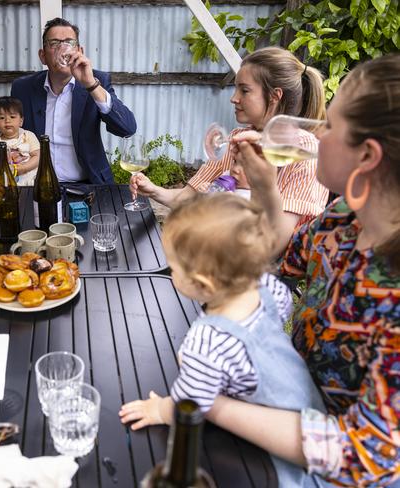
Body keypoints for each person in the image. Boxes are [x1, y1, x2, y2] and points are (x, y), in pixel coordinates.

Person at [204, 54, 400, 486]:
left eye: (329, 125)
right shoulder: (344, 219)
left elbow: (364, 456)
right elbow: (279, 260)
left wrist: (211, 405)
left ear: (366, 155)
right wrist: (263, 187)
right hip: (287, 404)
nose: (315, 134)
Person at [118, 193, 325, 487]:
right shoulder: (269, 288)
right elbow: (270, 328)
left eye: (174, 268)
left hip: (276, 462)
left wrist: (159, 410)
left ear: (202, 284)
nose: (171, 271)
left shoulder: (205, 341)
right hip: (307, 411)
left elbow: (190, 403)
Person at [131, 46, 329, 242]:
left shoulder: (304, 151)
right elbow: (189, 198)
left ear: (275, 96)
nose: (234, 98)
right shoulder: (237, 137)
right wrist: (154, 190)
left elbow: (274, 243)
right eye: (236, 89)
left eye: (244, 90)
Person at [11, 17, 137, 184]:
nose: (63, 49)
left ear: (79, 51)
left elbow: (127, 128)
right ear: (42, 56)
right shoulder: (23, 88)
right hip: (37, 185)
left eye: (69, 42)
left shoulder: (96, 81)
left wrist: (91, 85)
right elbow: (12, 133)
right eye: (54, 43)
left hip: (87, 184)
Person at [0, 96, 40, 186]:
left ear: (21, 121)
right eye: (2, 118)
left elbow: (37, 156)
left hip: (29, 181)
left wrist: (24, 168)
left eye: (12, 117)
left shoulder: (28, 136)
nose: (7, 121)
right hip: (3, 183)